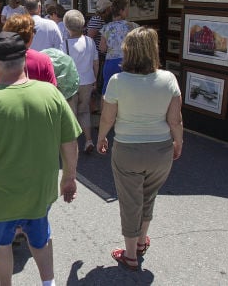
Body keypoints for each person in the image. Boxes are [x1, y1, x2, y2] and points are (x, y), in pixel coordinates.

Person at [0, 31, 81, 286]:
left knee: (1, 243)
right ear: (25, 59)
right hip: (39, 193)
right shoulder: (51, 94)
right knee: (41, 237)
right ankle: (48, 283)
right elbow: (70, 141)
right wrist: (69, 178)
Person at [96, 27, 183, 271]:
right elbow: (175, 120)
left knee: (130, 201)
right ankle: (142, 241)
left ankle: (131, 254)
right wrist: (179, 142)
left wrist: (101, 138)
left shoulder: (117, 81)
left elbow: (107, 118)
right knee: (148, 196)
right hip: (160, 149)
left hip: (128, 149)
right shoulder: (168, 79)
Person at [0, 14, 57, 90]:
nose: (34, 34)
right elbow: (52, 91)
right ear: (30, 36)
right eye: (33, 31)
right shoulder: (43, 60)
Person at [63, 9, 98, 153]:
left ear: (66, 26)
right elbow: (96, 63)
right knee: (84, 112)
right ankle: (89, 140)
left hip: (71, 83)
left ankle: (73, 145)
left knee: (71, 113)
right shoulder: (90, 41)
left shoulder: (64, 44)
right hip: (88, 81)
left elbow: (63, 67)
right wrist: (95, 79)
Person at [99, 0, 139, 94]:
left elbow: (102, 47)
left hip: (111, 62)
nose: (128, 11)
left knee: (107, 90)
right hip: (128, 61)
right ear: (121, 11)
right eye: (126, 9)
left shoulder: (106, 27)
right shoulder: (133, 26)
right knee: (128, 91)